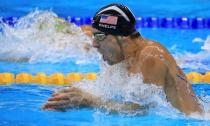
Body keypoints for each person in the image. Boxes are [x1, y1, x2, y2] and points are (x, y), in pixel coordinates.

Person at [42, 3, 203, 115]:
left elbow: (141, 110)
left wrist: (89, 101)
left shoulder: (151, 56)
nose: (94, 45)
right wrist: (72, 99)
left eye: (99, 37)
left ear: (121, 38)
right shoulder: (124, 60)